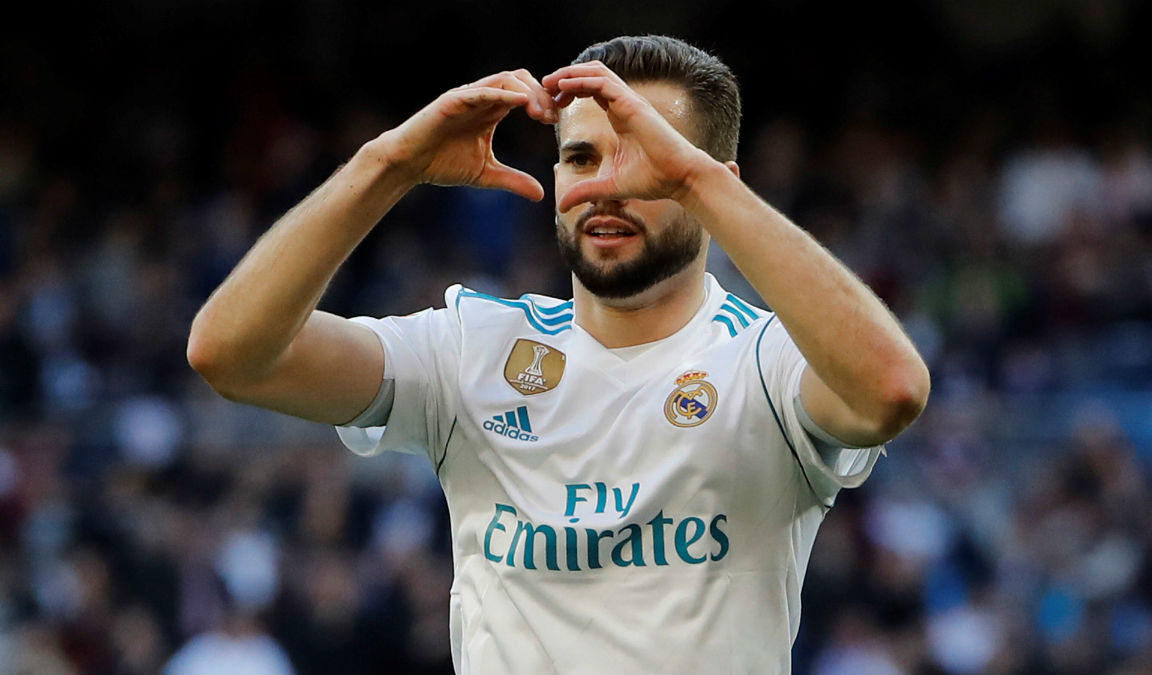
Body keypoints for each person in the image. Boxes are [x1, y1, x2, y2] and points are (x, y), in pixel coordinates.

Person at [187, 35, 930, 675]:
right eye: (580, 157)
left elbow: (891, 390)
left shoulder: (766, 363)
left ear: (710, 184)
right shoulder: (472, 347)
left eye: (646, 162)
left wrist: (697, 180)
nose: (604, 186)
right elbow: (232, 353)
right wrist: (388, 164)